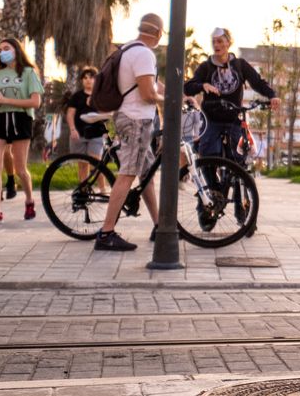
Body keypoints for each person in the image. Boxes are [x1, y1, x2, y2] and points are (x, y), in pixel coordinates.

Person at [96, 14, 166, 251]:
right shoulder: (144, 53)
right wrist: (169, 100)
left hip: (130, 117)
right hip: (136, 120)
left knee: (145, 175)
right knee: (127, 174)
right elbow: (148, 94)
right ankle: (106, 233)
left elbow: (148, 84)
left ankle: (159, 225)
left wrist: (180, 93)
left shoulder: (129, 49)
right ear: (158, 33)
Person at [183, 27, 280, 161]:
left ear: (228, 43)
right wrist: (202, 85)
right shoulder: (206, 67)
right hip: (211, 119)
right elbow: (187, 88)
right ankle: (211, 182)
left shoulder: (240, 65)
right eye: (214, 42)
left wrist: (272, 95)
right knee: (209, 156)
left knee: (238, 157)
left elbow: (257, 82)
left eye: (220, 41)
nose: (216, 45)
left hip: (233, 118)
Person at [0, 38, 43, 226]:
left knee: (20, 167)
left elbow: (35, 102)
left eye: (6, 48)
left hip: (21, 120)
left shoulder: (29, 72)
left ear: (16, 50)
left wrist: (5, 99)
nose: (2, 52)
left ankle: (29, 200)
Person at [65, 67, 109, 185]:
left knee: (96, 163)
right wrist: (72, 129)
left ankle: (103, 189)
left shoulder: (100, 96)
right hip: (79, 133)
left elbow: (106, 114)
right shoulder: (77, 96)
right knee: (82, 165)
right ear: (81, 81)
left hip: (96, 134)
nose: (88, 80)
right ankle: (83, 191)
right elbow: (70, 114)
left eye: (91, 77)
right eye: (85, 78)